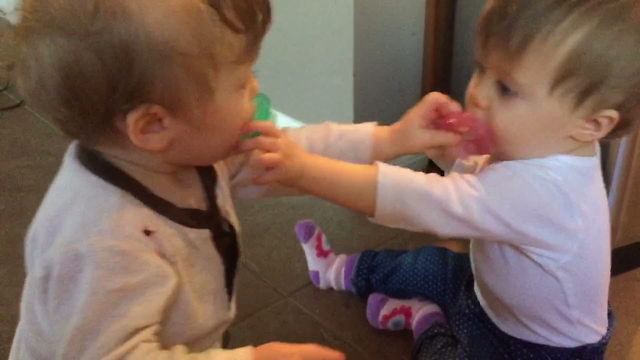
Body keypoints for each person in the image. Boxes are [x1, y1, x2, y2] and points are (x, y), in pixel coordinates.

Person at [8, 0, 461, 359]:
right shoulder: (99, 244)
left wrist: (392, 138)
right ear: (153, 126)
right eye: (242, 82)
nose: (257, 93)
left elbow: (291, 151)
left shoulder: (182, 153)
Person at [241, 0, 640, 358]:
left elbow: (424, 202)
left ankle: (425, 323)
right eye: (482, 68)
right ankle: (337, 270)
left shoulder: (550, 192)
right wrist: (457, 163)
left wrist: (306, 171)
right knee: (428, 264)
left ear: (591, 123)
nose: (477, 93)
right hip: (485, 293)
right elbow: (487, 199)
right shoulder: (545, 148)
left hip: (530, 348)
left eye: (506, 88)